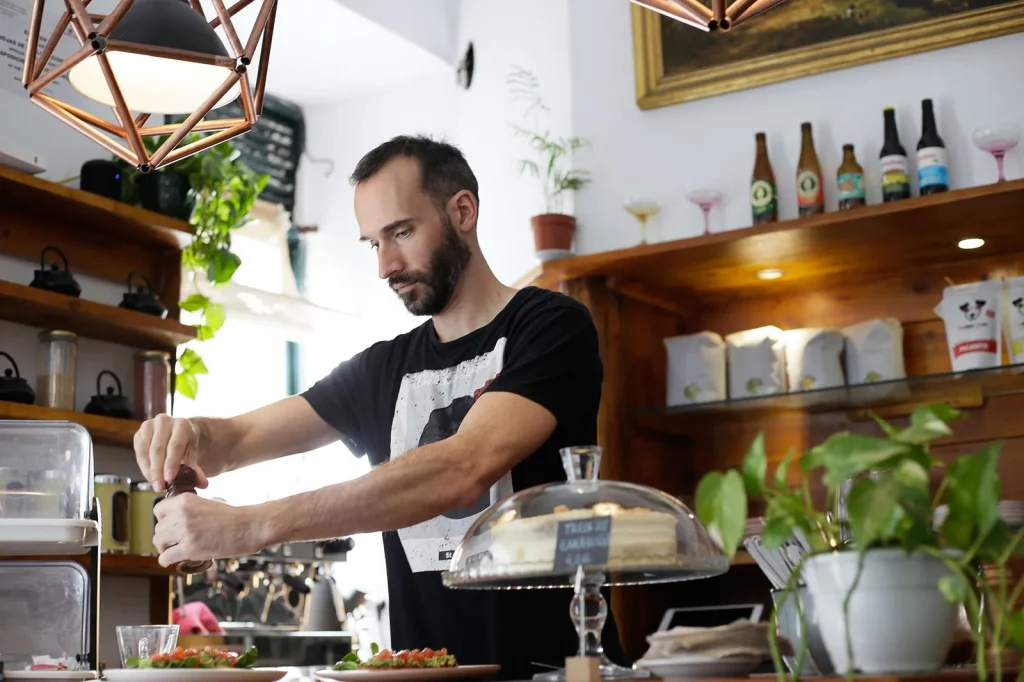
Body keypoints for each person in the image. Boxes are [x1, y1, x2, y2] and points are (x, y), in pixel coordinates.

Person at [134, 135, 623, 679]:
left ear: (462, 211)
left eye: (402, 233)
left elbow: (463, 467)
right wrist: (188, 434)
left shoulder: (550, 327)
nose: (386, 265)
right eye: (373, 244)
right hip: (426, 675)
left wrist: (251, 525)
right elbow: (237, 439)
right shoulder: (382, 369)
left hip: (554, 673)